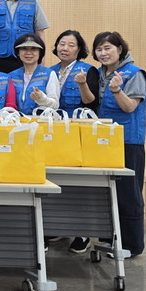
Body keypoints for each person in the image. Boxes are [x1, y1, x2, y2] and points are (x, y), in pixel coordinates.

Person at [93, 31, 146, 258]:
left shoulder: (135, 73)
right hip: (104, 141)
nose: (103, 53)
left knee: (128, 193)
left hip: (128, 141)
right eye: (99, 49)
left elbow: (130, 107)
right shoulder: (99, 73)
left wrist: (116, 90)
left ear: (120, 49)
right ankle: (110, 239)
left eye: (107, 48)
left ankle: (132, 245)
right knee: (107, 192)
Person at [49, 29, 99, 254]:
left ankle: (83, 233)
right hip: (55, 133)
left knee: (79, 183)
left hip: (79, 133)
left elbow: (91, 102)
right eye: (62, 43)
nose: (65, 48)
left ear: (79, 50)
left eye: (71, 45)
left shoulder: (88, 70)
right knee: (57, 180)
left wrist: (82, 84)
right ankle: (59, 226)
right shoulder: (50, 71)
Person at [8, 33, 60, 115]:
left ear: (40, 52)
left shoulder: (49, 74)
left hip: (41, 120)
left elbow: (55, 105)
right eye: (24, 48)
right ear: (18, 52)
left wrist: (42, 99)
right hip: (16, 120)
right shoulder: (11, 76)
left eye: (34, 49)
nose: (29, 52)